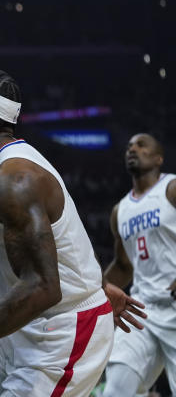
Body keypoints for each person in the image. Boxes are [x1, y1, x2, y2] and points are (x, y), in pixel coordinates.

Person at [0, 66, 146, 396]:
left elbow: (45, 289)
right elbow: (59, 239)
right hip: (14, 316)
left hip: (62, 331)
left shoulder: (16, 180)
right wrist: (95, 281)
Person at [102, 133, 176, 395]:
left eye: (141, 145)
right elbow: (123, 266)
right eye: (129, 145)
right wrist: (92, 291)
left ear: (159, 158)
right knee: (116, 390)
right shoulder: (119, 211)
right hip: (142, 311)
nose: (132, 148)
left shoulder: (171, 187)